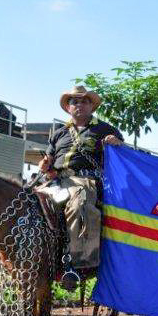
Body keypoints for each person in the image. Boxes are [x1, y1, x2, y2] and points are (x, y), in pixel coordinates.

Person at [37, 86, 124, 290]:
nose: (79, 105)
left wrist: (117, 143)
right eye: (74, 101)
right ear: (68, 107)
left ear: (92, 106)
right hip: (56, 181)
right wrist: (45, 164)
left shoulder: (104, 129)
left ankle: (77, 265)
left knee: (80, 203)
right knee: (27, 201)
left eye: (84, 101)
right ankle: (35, 258)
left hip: (85, 181)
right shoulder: (58, 133)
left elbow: (124, 155)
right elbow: (48, 158)